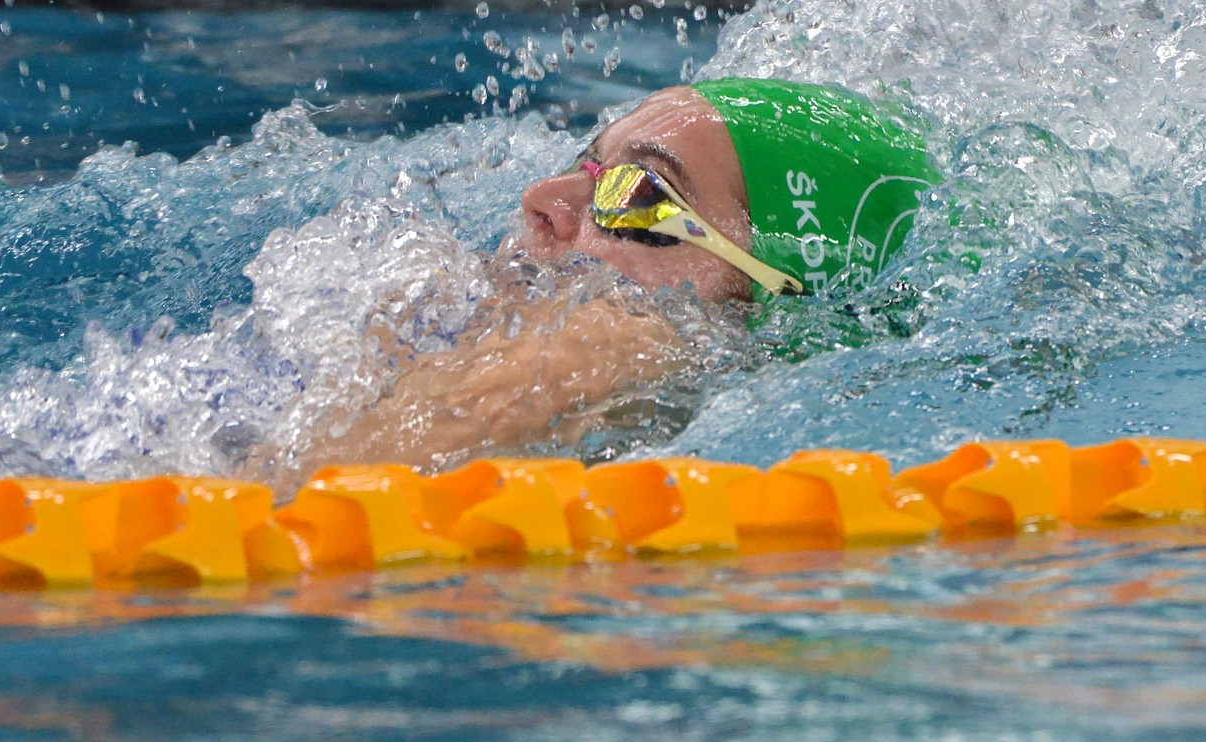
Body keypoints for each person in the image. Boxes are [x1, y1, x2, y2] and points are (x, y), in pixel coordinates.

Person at [277, 78, 939, 479]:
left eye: (638, 195)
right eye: (587, 164)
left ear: (775, 298)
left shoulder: (619, 343)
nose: (542, 198)